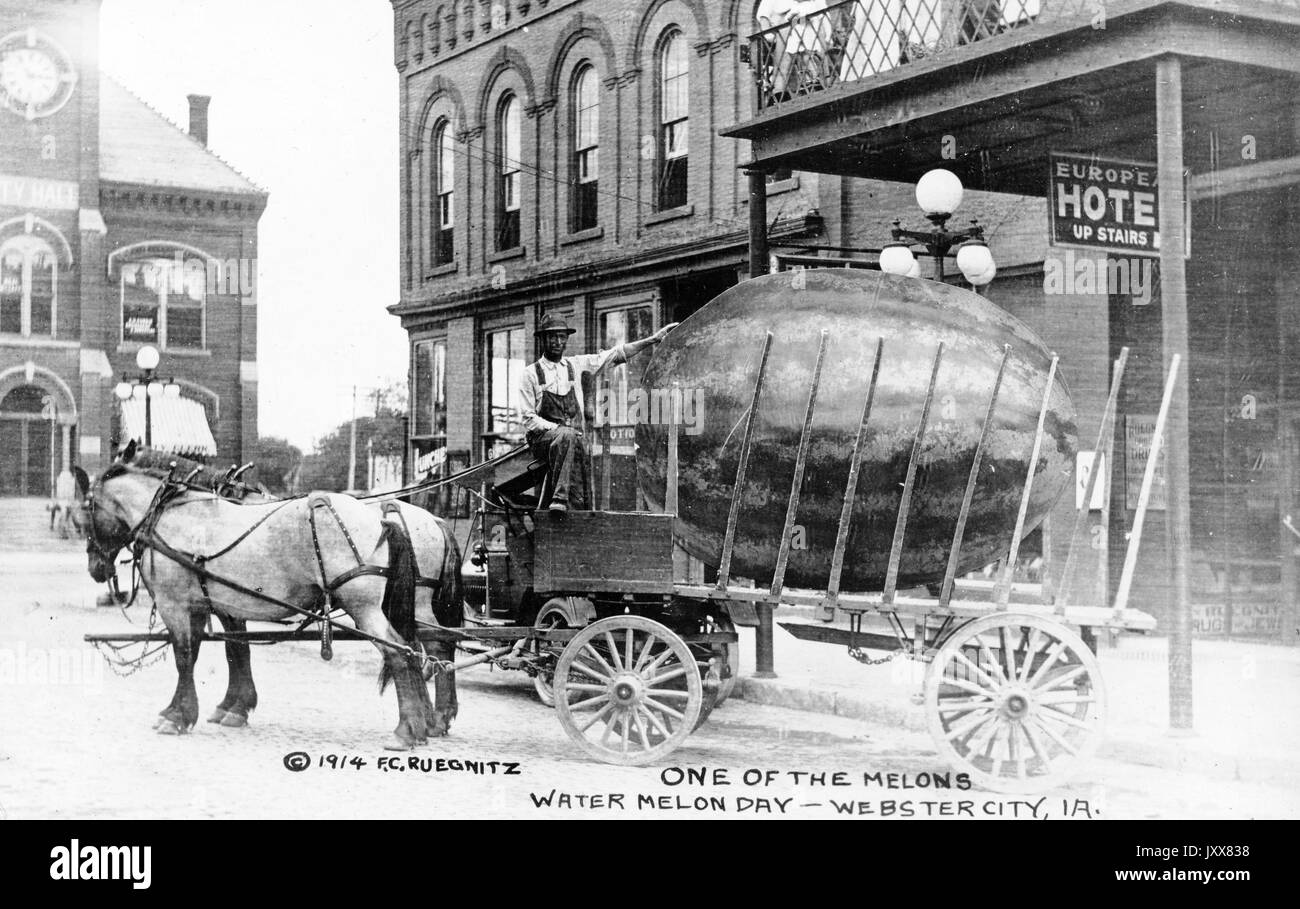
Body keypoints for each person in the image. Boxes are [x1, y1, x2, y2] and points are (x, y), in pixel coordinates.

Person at [519, 314, 677, 515]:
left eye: (561, 337)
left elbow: (615, 354)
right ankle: (559, 499)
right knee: (566, 436)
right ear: (543, 339)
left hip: (573, 443)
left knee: (582, 497)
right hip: (543, 441)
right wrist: (557, 429)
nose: (558, 342)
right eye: (552, 337)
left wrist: (653, 339)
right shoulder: (530, 374)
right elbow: (528, 418)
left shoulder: (574, 365)